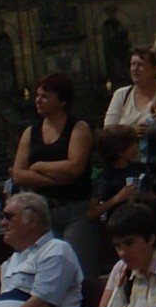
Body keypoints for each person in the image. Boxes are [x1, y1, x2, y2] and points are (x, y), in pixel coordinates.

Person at [11, 73, 97, 280]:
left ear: (62, 100)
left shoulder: (78, 128)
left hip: (75, 210)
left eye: (45, 96)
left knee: (80, 272)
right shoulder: (30, 132)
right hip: (44, 212)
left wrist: (39, 166)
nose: (38, 100)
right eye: (37, 95)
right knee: (48, 273)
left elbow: (74, 167)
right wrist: (55, 178)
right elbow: (19, 174)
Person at [105, 48, 156, 130]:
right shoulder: (121, 94)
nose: (135, 69)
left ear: (155, 69)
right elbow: (108, 129)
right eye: (132, 64)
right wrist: (132, 132)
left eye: (140, 65)